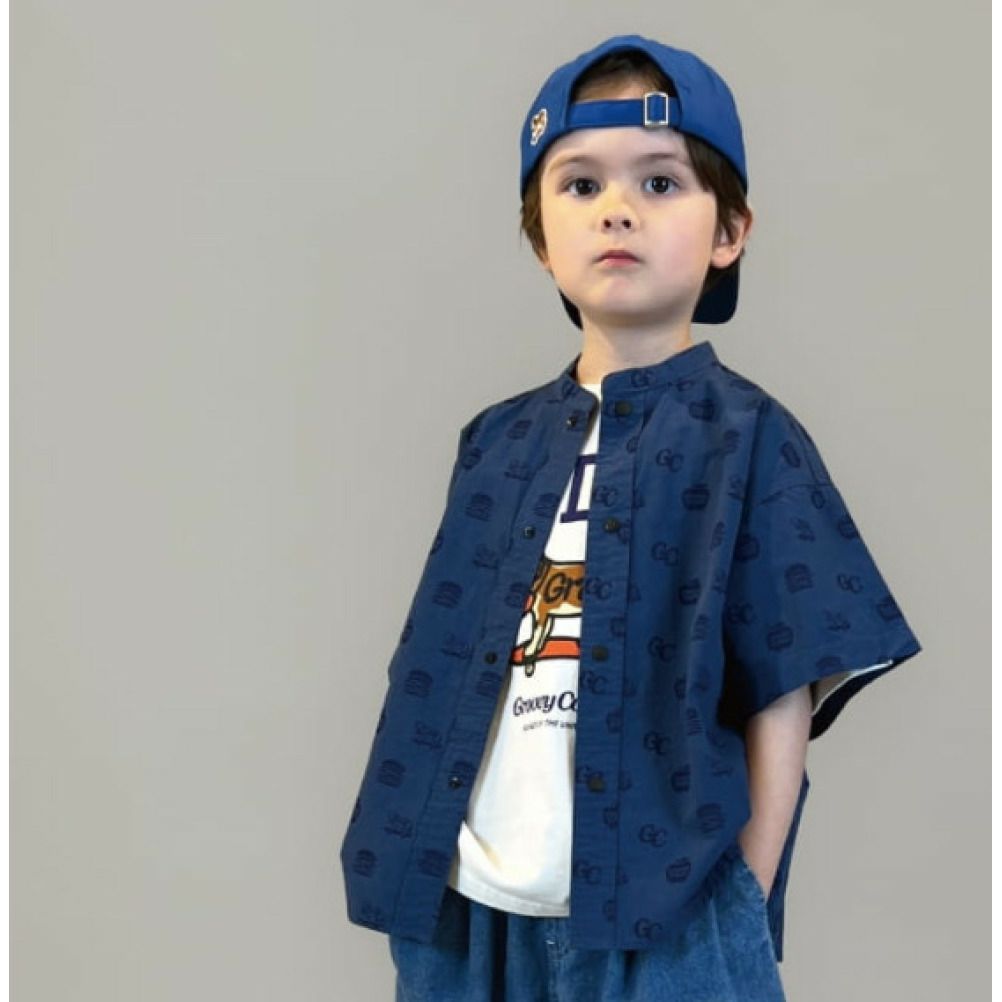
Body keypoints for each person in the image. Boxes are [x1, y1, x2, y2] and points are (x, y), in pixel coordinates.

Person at [339, 34, 922, 1001]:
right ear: (541, 240)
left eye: (659, 183)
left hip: (664, 907)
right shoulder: (494, 440)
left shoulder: (752, 437)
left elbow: (783, 685)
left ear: (729, 231)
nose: (617, 208)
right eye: (580, 185)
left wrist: (744, 893)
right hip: (465, 903)